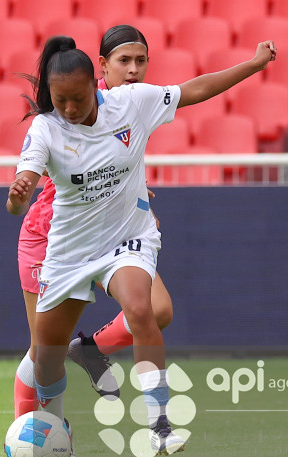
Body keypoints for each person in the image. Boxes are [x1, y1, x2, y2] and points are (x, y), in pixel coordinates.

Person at [6, 34, 276, 457]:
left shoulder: (132, 102)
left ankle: (160, 427)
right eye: (61, 101)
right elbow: (21, 193)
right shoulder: (46, 128)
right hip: (66, 249)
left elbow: (195, 89)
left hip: (125, 239)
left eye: (78, 99)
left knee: (142, 307)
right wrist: (18, 193)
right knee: (46, 358)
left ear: (95, 86)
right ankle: (57, 437)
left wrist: (252, 64)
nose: (70, 109)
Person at [12, 26, 173, 431]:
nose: (133, 70)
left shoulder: (127, 104)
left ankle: (89, 349)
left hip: (109, 235)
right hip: (52, 236)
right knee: (41, 351)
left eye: (141, 61)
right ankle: (35, 435)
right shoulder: (77, 101)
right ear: (102, 67)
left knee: (157, 310)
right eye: (124, 61)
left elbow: (116, 169)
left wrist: (138, 200)